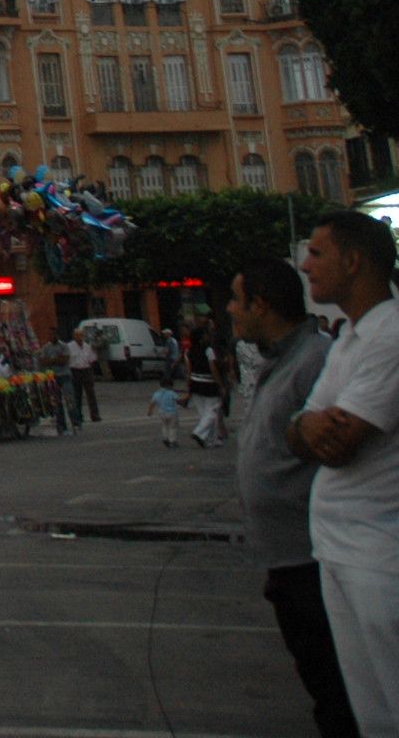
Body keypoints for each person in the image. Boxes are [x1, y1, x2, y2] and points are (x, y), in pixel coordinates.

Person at [288, 209, 399, 737]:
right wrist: (310, 427)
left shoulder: (395, 339)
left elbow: (338, 444)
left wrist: (316, 429)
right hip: (340, 550)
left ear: (355, 260)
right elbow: (297, 429)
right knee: (374, 715)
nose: (305, 265)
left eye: (316, 253)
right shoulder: (349, 339)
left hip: (382, 556)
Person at [227, 258, 359, 737]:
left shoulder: (315, 360)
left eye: (236, 299)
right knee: (322, 684)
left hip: (315, 562)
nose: (229, 309)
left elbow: (342, 446)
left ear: (261, 304)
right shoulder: (280, 360)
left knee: (338, 690)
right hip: (288, 559)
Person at [186, 320, 225, 448]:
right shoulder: (208, 350)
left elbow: (188, 369)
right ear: (202, 337)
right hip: (209, 383)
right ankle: (199, 433)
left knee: (203, 412)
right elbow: (213, 368)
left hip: (195, 383)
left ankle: (211, 439)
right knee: (212, 410)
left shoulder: (189, 351)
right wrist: (220, 384)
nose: (208, 337)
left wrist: (189, 386)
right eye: (206, 335)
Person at [66, 329, 101, 423]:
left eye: (81, 335)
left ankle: (95, 415)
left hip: (86, 370)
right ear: (74, 336)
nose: (80, 337)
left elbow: (92, 359)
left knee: (91, 394)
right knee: (77, 394)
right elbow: (67, 360)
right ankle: (79, 416)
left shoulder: (87, 346)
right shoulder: (69, 346)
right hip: (75, 370)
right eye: (77, 335)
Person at [147, 382, 183, 446]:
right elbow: (178, 401)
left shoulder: (157, 393)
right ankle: (172, 441)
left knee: (164, 425)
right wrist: (183, 403)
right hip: (172, 413)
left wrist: (150, 411)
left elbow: (152, 403)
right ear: (169, 385)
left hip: (162, 413)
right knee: (173, 427)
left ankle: (165, 437)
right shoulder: (172, 393)